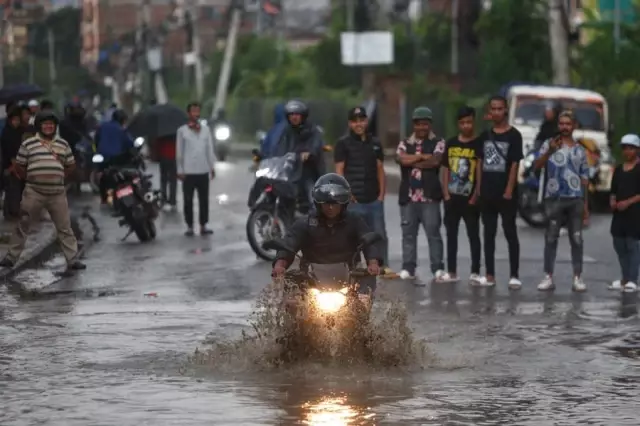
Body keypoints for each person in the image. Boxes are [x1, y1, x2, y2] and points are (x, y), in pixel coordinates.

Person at [271, 173, 381, 304]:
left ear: (343, 204)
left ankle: (362, 322)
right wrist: (280, 265)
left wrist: (373, 263)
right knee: (291, 292)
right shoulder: (304, 223)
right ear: (318, 203)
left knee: (366, 285)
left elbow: (368, 241)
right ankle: (292, 323)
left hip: (348, 278)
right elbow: (289, 242)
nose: (330, 207)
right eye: (326, 203)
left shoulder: (355, 221)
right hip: (311, 279)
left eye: (335, 204)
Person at [0, 111, 85, 272]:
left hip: (57, 193)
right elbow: (19, 166)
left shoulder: (63, 144)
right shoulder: (28, 144)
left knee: (64, 227)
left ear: (55, 127)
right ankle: (11, 258)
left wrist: (58, 177)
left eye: (51, 124)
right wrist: (32, 178)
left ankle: (73, 260)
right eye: (45, 124)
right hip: (34, 191)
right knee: (23, 224)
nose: (48, 127)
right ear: (39, 126)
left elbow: (70, 165)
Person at [334, 106, 395, 278]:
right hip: (353, 200)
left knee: (378, 234)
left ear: (367, 122)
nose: (359, 124)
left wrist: (382, 195)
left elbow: (380, 169)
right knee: (352, 237)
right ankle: (353, 267)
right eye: (355, 121)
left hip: (374, 198)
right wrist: (346, 193)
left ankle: (382, 267)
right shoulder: (343, 144)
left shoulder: (375, 143)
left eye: (362, 120)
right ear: (350, 123)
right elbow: (339, 170)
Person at [533, 110, 589, 292]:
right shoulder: (549, 144)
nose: (565, 127)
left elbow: (585, 178)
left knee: (577, 238)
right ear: (558, 125)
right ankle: (548, 277)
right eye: (562, 123)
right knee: (551, 237)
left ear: (574, 126)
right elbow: (536, 166)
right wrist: (549, 151)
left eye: (568, 124)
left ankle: (577, 277)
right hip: (554, 198)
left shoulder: (580, 150)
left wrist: (586, 204)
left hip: (575, 199)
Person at [395, 106, 445, 281]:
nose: (422, 128)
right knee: (408, 234)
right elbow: (401, 159)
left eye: (425, 124)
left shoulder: (438, 142)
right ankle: (408, 267)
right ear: (414, 125)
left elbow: (435, 161)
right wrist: (423, 157)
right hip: (408, 197)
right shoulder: (405, 143)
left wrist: (412, 161)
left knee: (433, 233)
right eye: (419, 124)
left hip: (429, 197)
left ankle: (438, 268)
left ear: (430, 125)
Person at [479, 95, 523, 289]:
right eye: (493, 109)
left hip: (506, 193)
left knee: (510, 232)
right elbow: (479, 163)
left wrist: (509, 189)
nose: (496, 112)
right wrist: (479, 188)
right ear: (489, 112)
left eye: (500, 109)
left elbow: (515, 164)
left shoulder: (514, 135)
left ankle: (514, 274)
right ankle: (489, 274)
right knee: (488, 234)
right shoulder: (485, 135)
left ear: (505, 110)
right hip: (487, 191)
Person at [441, 106, 483, 284]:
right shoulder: (451, 143)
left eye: (469, 122)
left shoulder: (478, 144)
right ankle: (451, 271)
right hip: (452, 197)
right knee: (451, 235)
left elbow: (480, 170)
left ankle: (475, 271)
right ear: (458, 124)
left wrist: (476, 194)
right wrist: (446, 194)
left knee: (473, 235)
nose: (466, 126)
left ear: (473, 122)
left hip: (470, 198)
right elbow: (445, 168)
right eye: (462, 122)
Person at [271, 100, 325, 211]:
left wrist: (309, 152)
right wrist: (274, 158)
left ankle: (315, 215)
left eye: (297, 114)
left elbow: (316, 144)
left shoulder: (312, 130)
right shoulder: (286, 131)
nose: (294, 117)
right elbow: (280, 147)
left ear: (303, 116)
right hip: (291, 170)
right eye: (291, 115)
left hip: (309, 169)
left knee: (311, 195)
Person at [176, 102, 216, 236]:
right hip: (188, 171)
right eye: (193, 111)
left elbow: (209, 149)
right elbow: (179, 152)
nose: (196, 114)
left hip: (203, 169)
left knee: (204, 199)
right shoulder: (182, 131)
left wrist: (211, 166)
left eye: (197, 111)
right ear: (188, 114)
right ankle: (189, 226)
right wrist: (180, 170)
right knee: (188, 200)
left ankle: (203, 225)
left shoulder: (206, 130)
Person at [608, 134, 640, 293]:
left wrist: (628, 202)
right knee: (619, 244)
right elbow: (613, 189)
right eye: (625, 148)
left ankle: (633, 279)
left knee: (633, 246)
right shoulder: (619, 169)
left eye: (631, 148)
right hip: (619, 214)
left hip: (635, 214)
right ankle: (625, 277)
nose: (628, 151)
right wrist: (613, 200)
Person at [95, 109, 135, 203]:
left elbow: (96, 139)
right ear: (122, 120)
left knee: (103, 175)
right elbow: (129, 143)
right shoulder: (121, 129)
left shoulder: (103, 126)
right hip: (116, 157)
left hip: (102, 156)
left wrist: (98, 150)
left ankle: (103, 198)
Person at [1, 107, 26, 219]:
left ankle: (14, 211)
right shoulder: (7, 133)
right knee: (10, 189)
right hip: (8, 165)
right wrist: (13, 164)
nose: (16, 122)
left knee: (17, 189)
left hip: (19, 163)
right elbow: (8, 149)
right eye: (14, 120)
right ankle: (8, 212)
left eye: (18, 120)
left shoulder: (19, 132)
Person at [157, 134, 178, 211]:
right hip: (172, 156)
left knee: (163, 180)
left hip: (163, 157)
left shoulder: (160, 132)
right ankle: (172, 200)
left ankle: (163, 199)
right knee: (173, 181)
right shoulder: (175, 132)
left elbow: (158, 145)